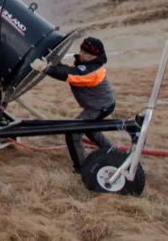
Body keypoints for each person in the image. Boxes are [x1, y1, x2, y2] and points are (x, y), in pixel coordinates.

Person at [30, 37, 115, 171]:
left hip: (100, 107)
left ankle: (82, 167)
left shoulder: (93, 71)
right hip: (99, 105)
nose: (81, 54)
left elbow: (71, 75)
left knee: (73, 132)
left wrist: (48, 69)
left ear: (95, 56)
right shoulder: (86, 64)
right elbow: (69, 69)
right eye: (82, 50)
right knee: (91, 130)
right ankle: (111, 152)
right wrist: (53, 64)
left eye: (86, 53)